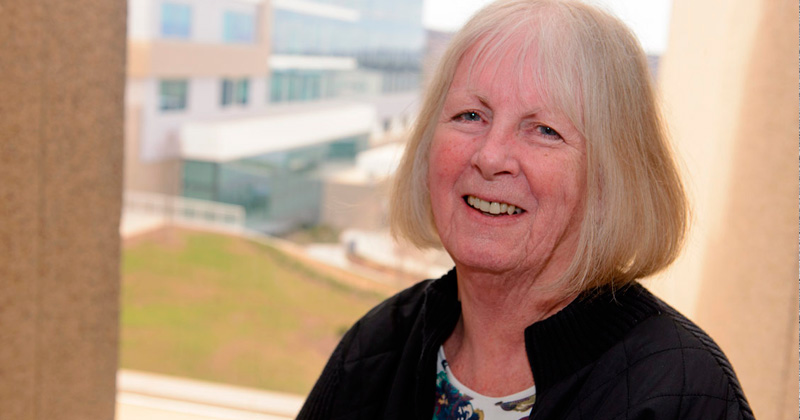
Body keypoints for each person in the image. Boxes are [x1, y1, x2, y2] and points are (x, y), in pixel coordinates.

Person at [298, 0, 754, 418]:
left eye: (544, 130)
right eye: (470, 116)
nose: (490, 156)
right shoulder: (376, 348)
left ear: (610, 180)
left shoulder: (682, 392)